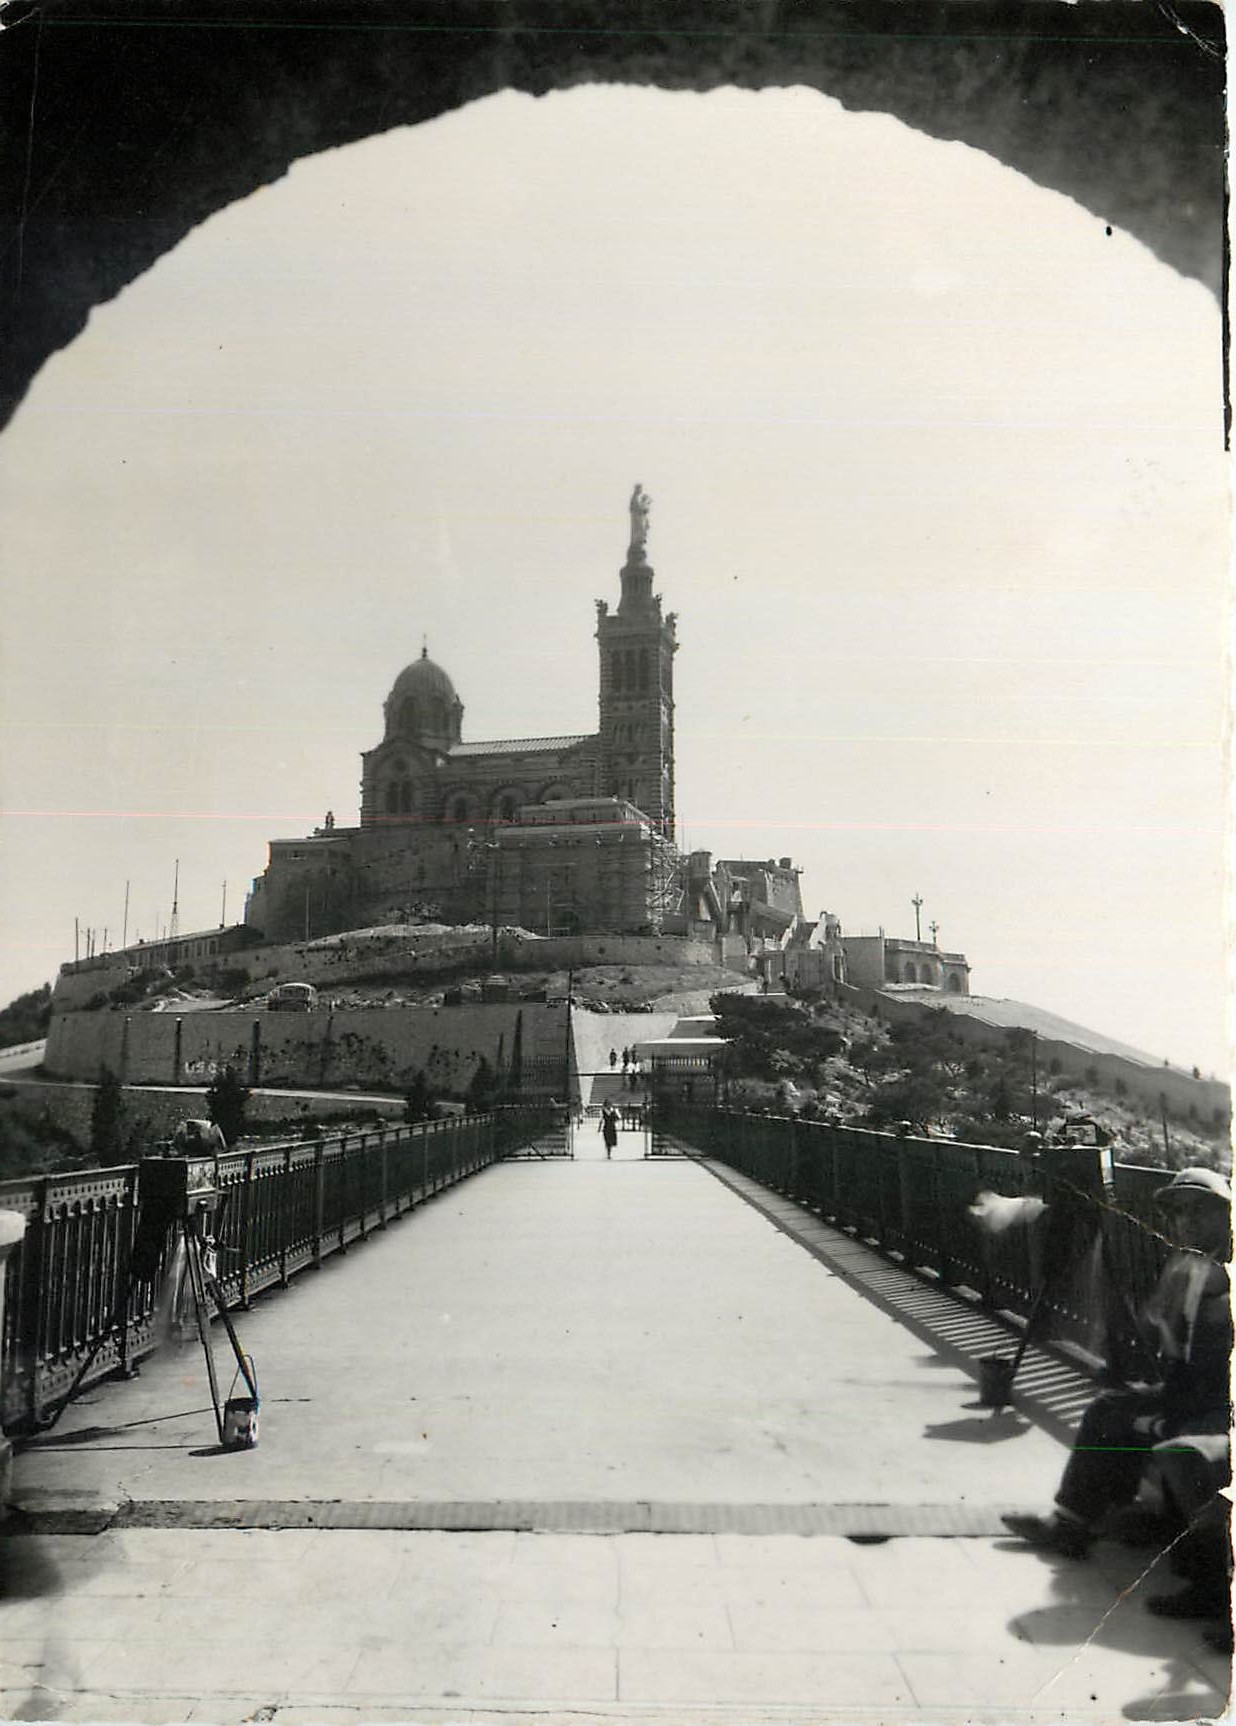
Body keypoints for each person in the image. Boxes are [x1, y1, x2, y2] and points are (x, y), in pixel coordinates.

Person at [1002, 1167, 1232, 1578]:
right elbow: (1158, 1330)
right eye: (1180, 1213)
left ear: (1226, 1214)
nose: (1189, 1221)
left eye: (1201, 1210)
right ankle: (1073, 1524)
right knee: (1109, 1410)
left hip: (1220, 1405)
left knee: (1166, 1431)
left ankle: (1174, 1545)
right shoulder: (1189, 1264)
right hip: (1190, 1391)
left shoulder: (1222, 1269)